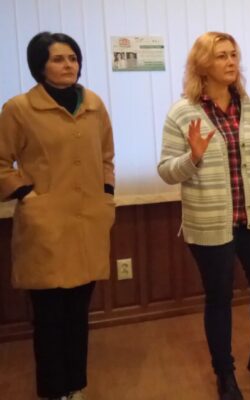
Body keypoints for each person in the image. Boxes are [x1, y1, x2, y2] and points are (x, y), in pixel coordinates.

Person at [157, 32, 250, 400]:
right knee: (219, 297)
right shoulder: (182, 112)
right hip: (210, 222)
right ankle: (225, 373)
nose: (231, 61)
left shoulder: (248, 106)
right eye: (221, 55)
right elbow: (167, 171)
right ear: (203, 64)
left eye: (234, 54)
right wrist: (193, 156)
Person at [0, 32, 116, 400]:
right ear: (40, 66)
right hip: (45, 226)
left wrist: (107, 192)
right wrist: (27, 195)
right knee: (49, 317)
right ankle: (53, 391)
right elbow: (1, 162)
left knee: (78, 314)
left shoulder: (94, 104)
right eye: (58, 59)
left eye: (73, 58)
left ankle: (75, 386)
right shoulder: (19, 109)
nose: (68, 65)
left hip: (88, 221)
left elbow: (107, 157)